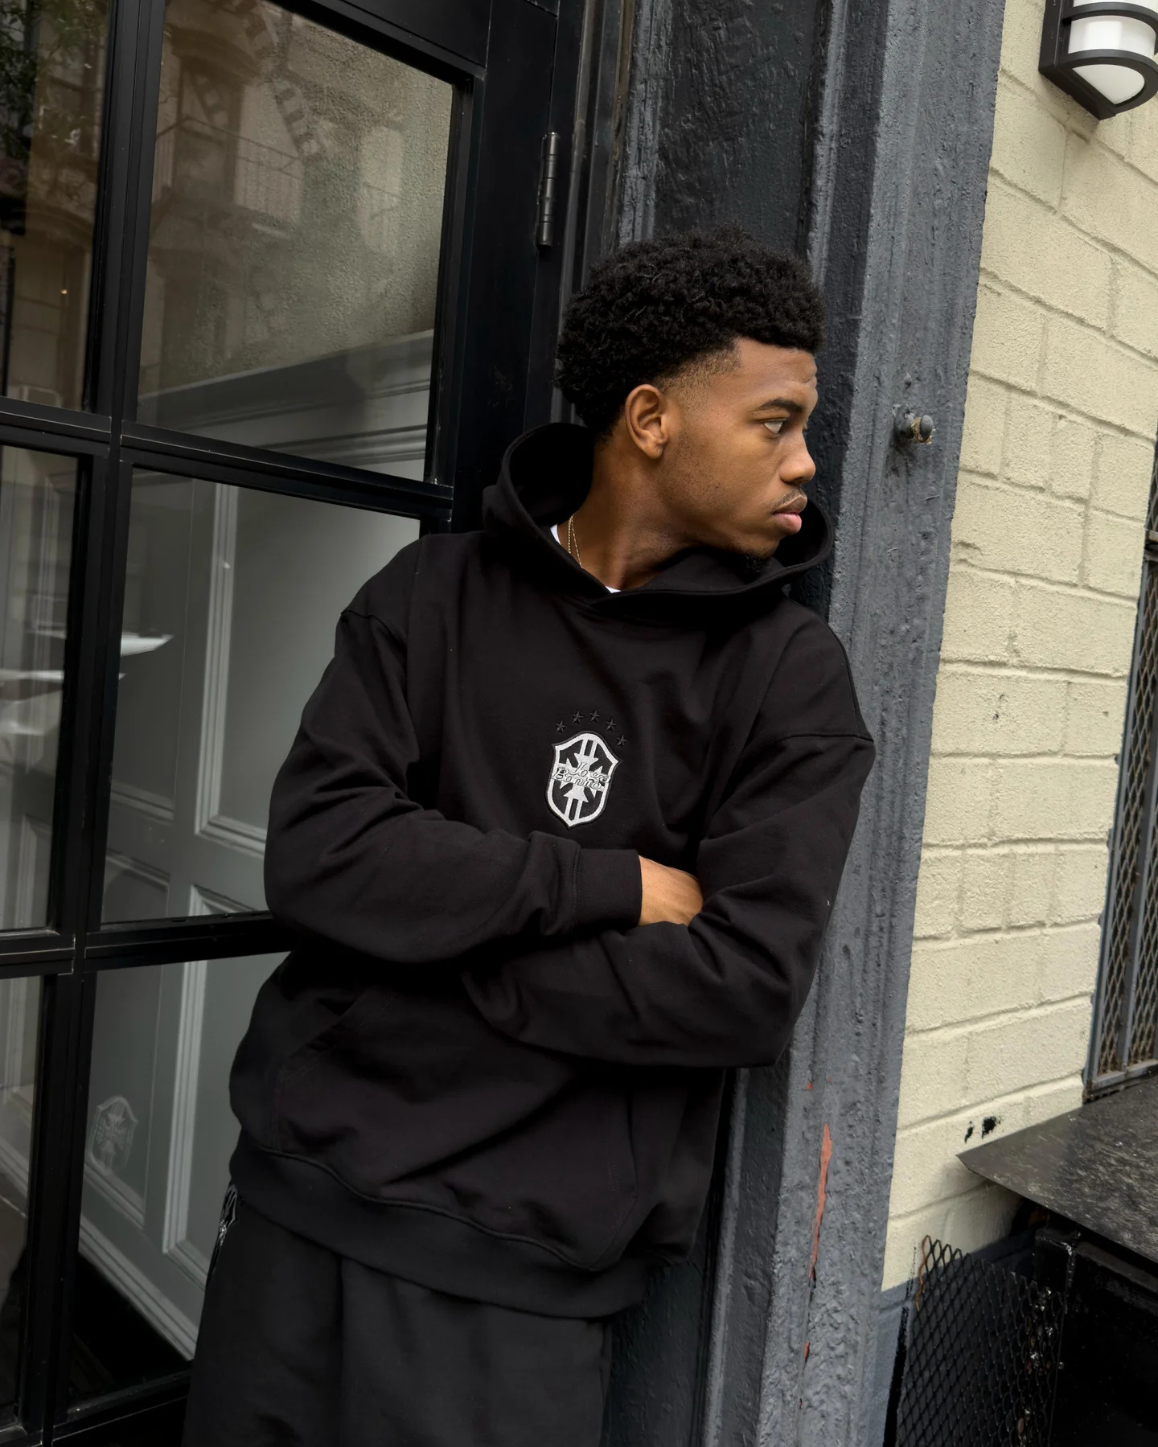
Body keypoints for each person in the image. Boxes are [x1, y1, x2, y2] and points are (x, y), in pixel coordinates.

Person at [183, 227, 875, 1447]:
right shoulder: (431, 594)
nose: (805, 461)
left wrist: (431, 938)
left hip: (522, 1285)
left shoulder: (790, 677)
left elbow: (742, 989)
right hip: (298, 1213)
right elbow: (320, 853)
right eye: (775, 423)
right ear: (651, 419)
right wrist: (606, 885)